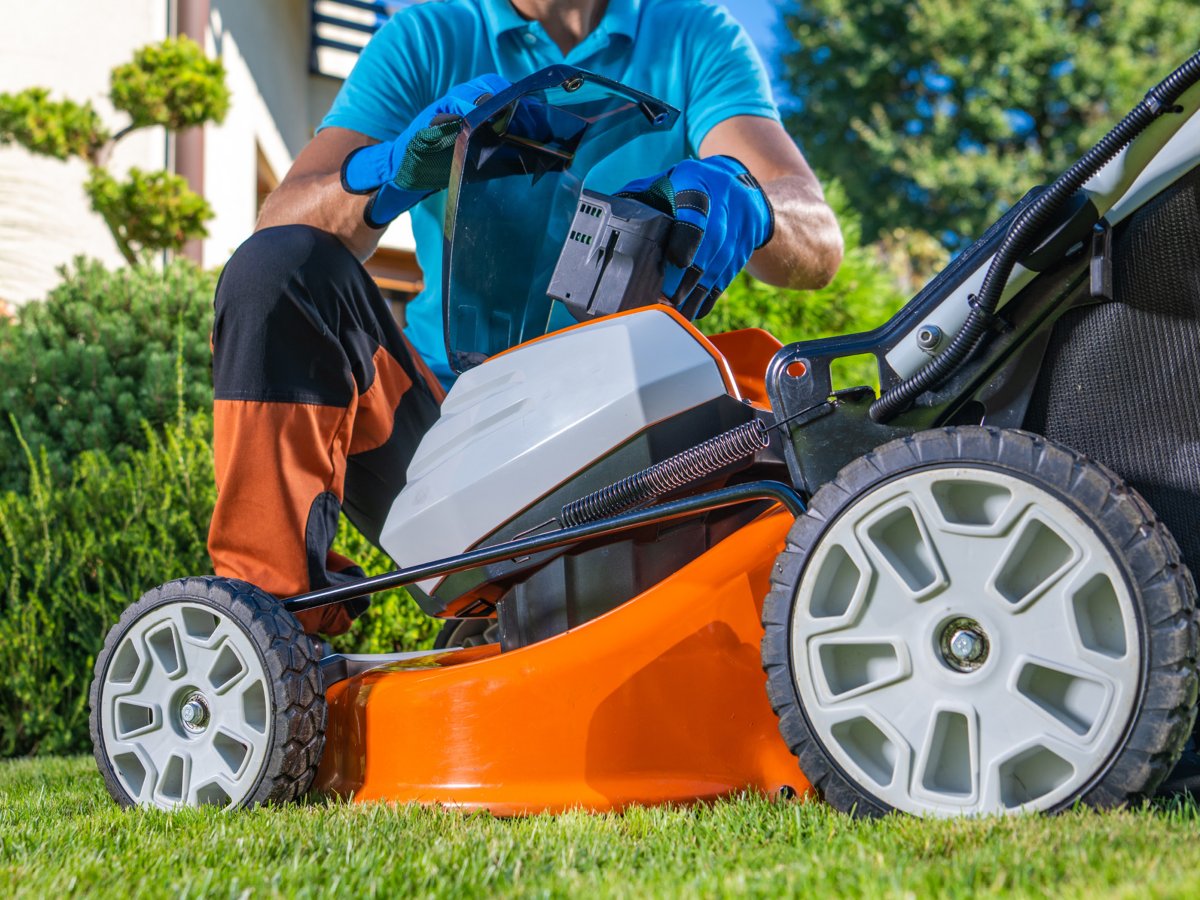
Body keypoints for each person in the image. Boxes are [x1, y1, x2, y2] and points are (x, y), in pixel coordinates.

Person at [209, 0, 844, 636]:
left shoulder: (692, 36)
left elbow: (818, 240)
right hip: (441, 446)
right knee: (280, 267)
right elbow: (280, 226)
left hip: (625, 433)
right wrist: (390, 168)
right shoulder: (430, 36)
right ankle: (266, 629)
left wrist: (752, 199)